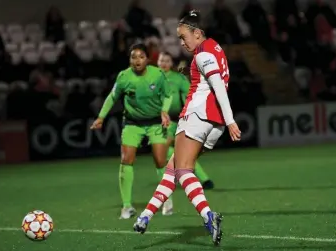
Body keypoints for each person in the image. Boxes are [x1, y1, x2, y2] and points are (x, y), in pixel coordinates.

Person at [133, 10, 241, 246]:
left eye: (184, 37)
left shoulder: (202, 55)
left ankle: (208, 216)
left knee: (183, 171)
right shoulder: (214, 48)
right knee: (174, 168)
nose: (181, 42)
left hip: (198, 115)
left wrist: (232, 119)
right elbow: (210, 78)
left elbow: (218, 87)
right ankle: (146, 215)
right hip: (214, 122)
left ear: (198, 33)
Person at [90, 43, 172, 220]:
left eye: (141, 57)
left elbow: (168, 94)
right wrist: (101, 117)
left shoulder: (157, 74)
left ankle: (167, 199)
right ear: (129, 59)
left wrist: (164, 110)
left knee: (159, 161)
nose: (137, 60)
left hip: (155, 123)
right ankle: (127, 206)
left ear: (147, 59)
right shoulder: (123, 77)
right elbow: (112, 97)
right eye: (133, 57)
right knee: (126, 160)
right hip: (132, 123)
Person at [157, 51, 215, 216]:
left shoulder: (178, 78)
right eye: (161, 60)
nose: (164, 63)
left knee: (178, 152)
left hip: (177, 120)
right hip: (160, 122)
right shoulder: (153, 77)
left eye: (167, 60)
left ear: (171, 63)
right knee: (172, 152)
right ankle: (202, 179)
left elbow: (190, 95)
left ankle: (172, 184)